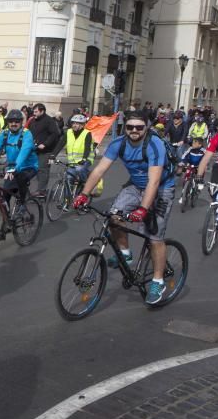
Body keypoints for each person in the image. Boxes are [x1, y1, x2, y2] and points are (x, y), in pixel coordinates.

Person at [73, 110, 176, 305]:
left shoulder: (154, 145)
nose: (134, 130)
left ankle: (157, 281)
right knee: (113, 215)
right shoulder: (118, 143)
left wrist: (143, 209)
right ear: (124, 127)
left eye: (139, 127)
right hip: (136, 185)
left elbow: (153, 182)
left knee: (153, 236)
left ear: (147, 127)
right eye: (130, 127)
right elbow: (99, 170)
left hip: (162, 188)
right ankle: (125, 253)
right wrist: (83, 194)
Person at [0, 109, 37, 214]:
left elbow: (25, 151)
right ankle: (8, 221)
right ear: (8, 122)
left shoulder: (27, 134)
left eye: (17, 121)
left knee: (21, 178)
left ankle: (23, 204)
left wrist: (15, 168)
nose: (13, 124)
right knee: (5, 195)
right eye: (11, 121)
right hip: (12, 167)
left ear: (21, 122)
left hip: (28, 166)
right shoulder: (4, 134)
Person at [51, 114, 95, 183]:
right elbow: (60, 144)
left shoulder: (87, 134)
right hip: (72, 161)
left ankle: (86, 184)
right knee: (68, 179)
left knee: (79, 169)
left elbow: (87, 148)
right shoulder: (68, 132)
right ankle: (68, 194)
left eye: (77, 123)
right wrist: (53, 155)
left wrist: (84, 159)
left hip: (86, 159)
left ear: (82, 125)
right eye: (73, 123)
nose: (74, 125)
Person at [28, 103, 60, 197]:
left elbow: (54, 134)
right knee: (32, 169)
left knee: (43, 170)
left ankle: (42, 191)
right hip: (34, 149)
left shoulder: (49, 121)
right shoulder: (33, 120)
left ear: (42, 111)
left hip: (46, 151)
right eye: (33, 111)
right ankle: (34, 189)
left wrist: (45, 144)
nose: (34, 113)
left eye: (36, 111)